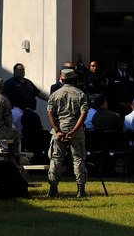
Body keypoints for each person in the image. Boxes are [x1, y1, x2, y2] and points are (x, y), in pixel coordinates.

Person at [46, 68, 89, 198]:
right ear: (73, 78)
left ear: (62, 79)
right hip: (77, 131)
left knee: (56, 160)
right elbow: (84, 113)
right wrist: (74, 130)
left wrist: (58, 131)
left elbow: (50, 114)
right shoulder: (80, 94)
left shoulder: (55, 94)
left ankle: (53, 188)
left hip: (59, 130)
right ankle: (80, 189)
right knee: (78, 159)